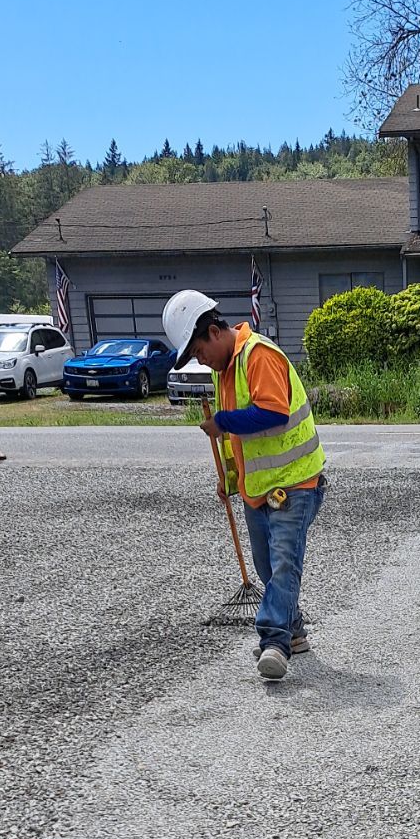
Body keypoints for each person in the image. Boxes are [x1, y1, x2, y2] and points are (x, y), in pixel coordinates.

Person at [163, 289, 327, 682]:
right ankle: (295, 631)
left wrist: (222, 422)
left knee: (285, 563)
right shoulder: (226, 371)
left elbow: (271, 412)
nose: (200, 361)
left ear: (214, 331)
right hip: (260, 488)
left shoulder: (259, 355)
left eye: (199, 352)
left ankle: (274, 641)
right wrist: (231, 480)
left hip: (297, 483)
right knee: (268, 566)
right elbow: (242, 443)